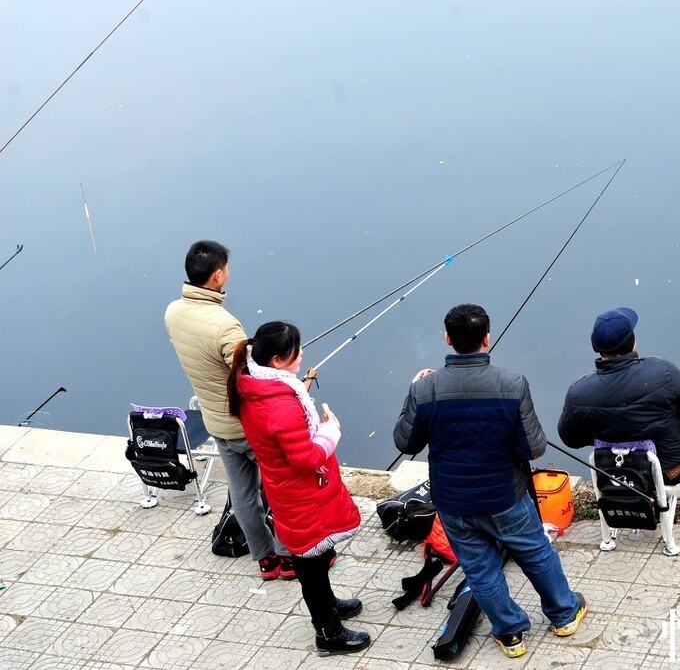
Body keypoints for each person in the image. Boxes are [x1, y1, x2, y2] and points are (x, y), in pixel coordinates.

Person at [394, 303, 586, 660]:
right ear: (487, 337)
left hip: (454, 502)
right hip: (505, 496)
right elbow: (535, 448)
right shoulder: (512, 384)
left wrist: (412, 392)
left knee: (480, 567)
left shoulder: (425, 389)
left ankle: (510, 634)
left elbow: (406, 443)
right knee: (536, 553)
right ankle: (564, 615)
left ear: (448, 339)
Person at [228, 321, 370, 655]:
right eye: (296, 351)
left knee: (317, 558)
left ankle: (330, 606)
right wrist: (330, 432)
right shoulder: (278, 403)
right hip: (300, 492)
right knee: (311, 565)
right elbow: (305, 459)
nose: (301, 355)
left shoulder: (255, 386)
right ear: (277, 361)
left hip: (288, 488)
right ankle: (328, 633)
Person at [558, 307, 680, 525]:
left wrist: (608, 434)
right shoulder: (662, 371)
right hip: (670, 469)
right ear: (633, 341)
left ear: (596, 347)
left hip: (616, 472)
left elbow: (570, 439)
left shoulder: (578, 392)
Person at [164, 240, 289, 579]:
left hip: (216, 422)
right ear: (218, 275)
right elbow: (249, 379)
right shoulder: (225, 326)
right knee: (278, 488)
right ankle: (289, 557)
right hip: (246, 425)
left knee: (243, 495)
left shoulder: (173, 311)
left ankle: (266, 560)